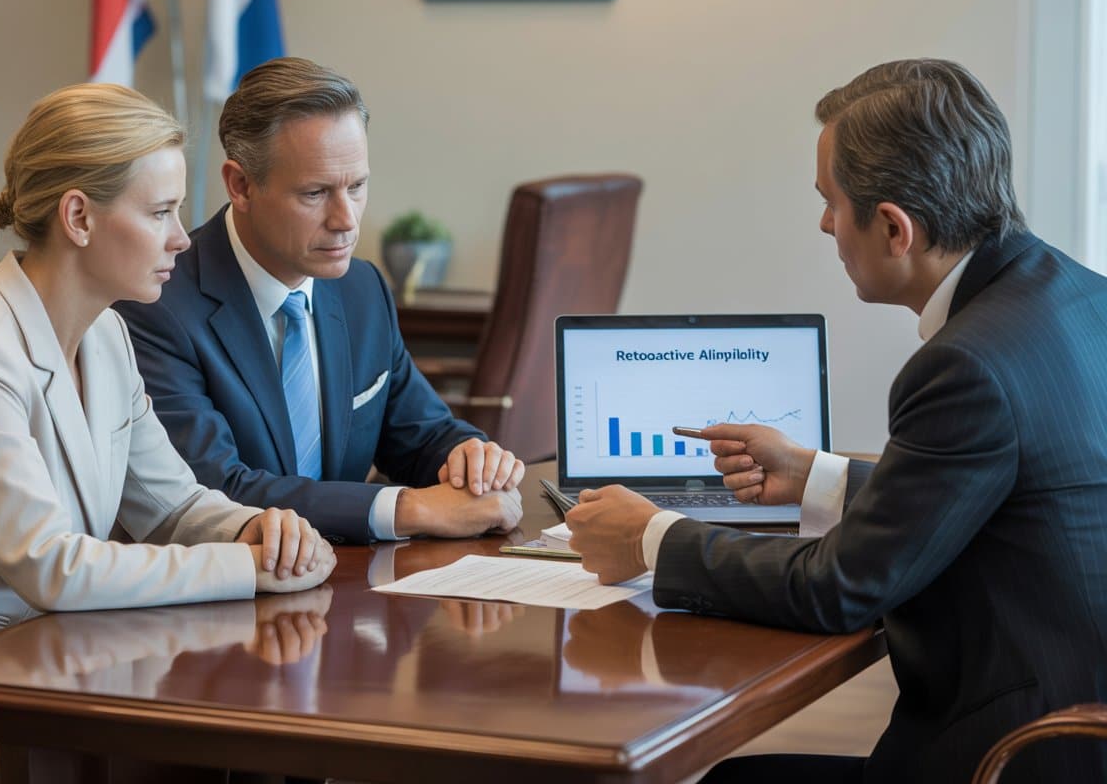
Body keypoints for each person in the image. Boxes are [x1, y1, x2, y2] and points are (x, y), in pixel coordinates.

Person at [565, 59, 1107, 784]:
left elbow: (841, 588)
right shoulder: (1082, 296)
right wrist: (816, 475)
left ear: (893, 228)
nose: (824, 224)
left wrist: (651, 537)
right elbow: (991, 496)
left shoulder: (967, 366)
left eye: (831, 202)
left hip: (1015, 757)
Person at [0, 84, 336, 784]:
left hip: (59, 676)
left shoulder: (106, 335)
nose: (182, 237)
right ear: (78, 217)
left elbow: (171, 505)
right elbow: (51, 566)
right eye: (160, 212)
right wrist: (247, 569)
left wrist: (260, 530)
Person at [117, 57, 524, 546]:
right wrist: (409, 508)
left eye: (357, 186)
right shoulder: (156, 304)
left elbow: (421, 434)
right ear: (241, 185)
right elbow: (213, 494)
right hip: (231, 584)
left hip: (351, 578)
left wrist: (472, 459)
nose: (346, 219)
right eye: (315, 193)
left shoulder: (362, 288)